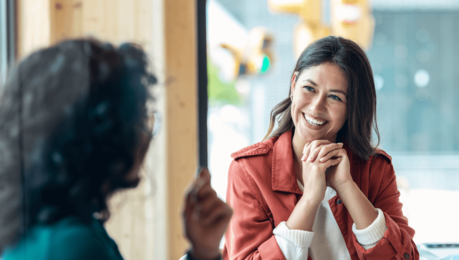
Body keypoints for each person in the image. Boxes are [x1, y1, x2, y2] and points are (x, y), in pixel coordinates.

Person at [0, 39, 232, 260]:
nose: (146, 136)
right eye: (140, 120)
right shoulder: (74, 246)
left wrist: (202, 251)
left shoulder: (50, 228)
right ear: (103, 136)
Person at [223, 36, 419, 260]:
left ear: (352, 107)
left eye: (335, 97)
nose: (317, 107)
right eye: (309, 88)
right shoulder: (249, 170)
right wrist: (310, 200)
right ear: (293, 84)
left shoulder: (376, 169)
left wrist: (346, 186)